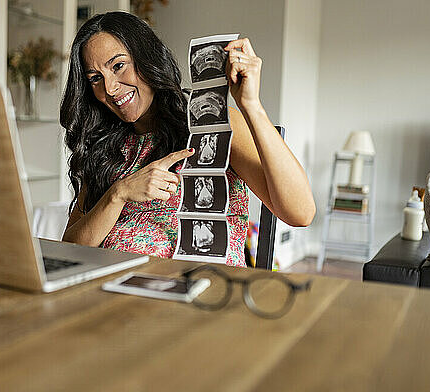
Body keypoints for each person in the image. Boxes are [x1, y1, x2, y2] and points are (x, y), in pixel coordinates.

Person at [60, 11, 315, 267]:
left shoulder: (213, 123)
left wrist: (251, 105)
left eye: (118, 66)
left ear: (146, 57)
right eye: (95, 78)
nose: (110, 88)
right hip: (113, 289)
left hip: (203, 291)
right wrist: (118, 194)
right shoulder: (105, 147)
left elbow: (301, 213)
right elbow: (70, 248)